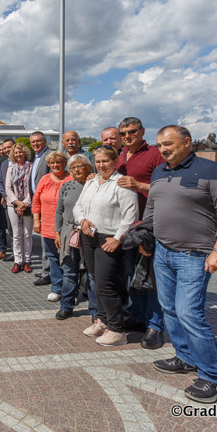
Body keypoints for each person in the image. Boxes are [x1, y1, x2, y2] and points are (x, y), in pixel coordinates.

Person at [145, 125, 217, 404]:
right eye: (160, 145)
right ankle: (185, 357)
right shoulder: (159, 171)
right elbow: (151, 208)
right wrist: (143, 233)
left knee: (189, 313)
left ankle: (213, 378)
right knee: (169, 308)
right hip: (163, 252)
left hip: (195, 255)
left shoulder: (212, 170)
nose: (163, 149)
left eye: (168, 144)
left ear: (187, 142)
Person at [73, 145, 138, 347]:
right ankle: (102, 320)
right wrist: (82, 220)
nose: (101, 165)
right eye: (98, 161)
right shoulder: (91, 182)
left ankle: (117, 330)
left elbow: (131, 216)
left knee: (105, 284)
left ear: (115, 161)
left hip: (108, 239)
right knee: (95, 281)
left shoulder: (121, 184)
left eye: (106, 161)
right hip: (89, 237)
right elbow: (78, 206)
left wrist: (117, 238)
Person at [116, 117, 168, 350]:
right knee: (133, 276)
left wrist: (139, 186)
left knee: (151, 278)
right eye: (123, 133)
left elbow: (167, 187)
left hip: (149, 225)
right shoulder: (120, 156)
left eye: (132, 131)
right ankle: (137, 316)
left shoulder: (154, 154)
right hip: (127, 227)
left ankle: (155, 326)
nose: (127, 136)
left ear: (142, 131)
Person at [54, 154, 94, 320]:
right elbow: (59, 211)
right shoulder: (67, 186)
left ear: (88, 167)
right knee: (69, 271)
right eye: (72, 167)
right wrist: (57, 232)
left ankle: (95, 310)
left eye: (80, 166)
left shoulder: (95, 183)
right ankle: (66, 306)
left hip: (90, 233)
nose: (76, 170)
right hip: (68, 232)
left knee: (91, 273)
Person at [32, 151, 72, 299]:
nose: (55, 165)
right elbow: (36, 200)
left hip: (67, 226)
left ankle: (70, 290)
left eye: (58, 162)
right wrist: (36, 220)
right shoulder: (45, 179)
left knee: (68, 260)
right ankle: (57, 288)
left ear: (64, 163)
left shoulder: (71, 178)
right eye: (52, 163)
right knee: (53, 258)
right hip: (48, 224)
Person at [4, 143, 33, 273]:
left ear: (25, 152)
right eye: (15, 153)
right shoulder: (11, 168)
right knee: (16, 234)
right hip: (13, 205)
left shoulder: (31, 167)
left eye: (20, 152)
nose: (18, 154)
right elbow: (8, 187)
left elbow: (33, 187)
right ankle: (18, 261)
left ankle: (27, 261)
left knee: (27, 234)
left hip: (28, 204)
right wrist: (17, 202)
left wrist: (24, 203)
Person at [29, 131, 53, 286]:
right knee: (44, 238)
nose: (36, 144)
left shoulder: (49, 155)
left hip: (47, 203)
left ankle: (48, 273)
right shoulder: (36, 157)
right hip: (38, 201)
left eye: (38, 141)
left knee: (47, 241)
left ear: (44, 141)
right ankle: (46, 269)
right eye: (33, 142)